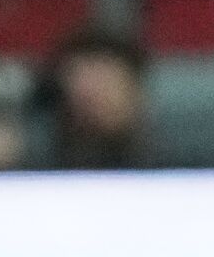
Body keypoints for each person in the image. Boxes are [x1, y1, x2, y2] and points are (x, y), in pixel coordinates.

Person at [37, 28, 150, 169]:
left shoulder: (168, 154)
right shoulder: (37, 153)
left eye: (105, 82)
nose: (94, 95)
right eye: (83, 85)